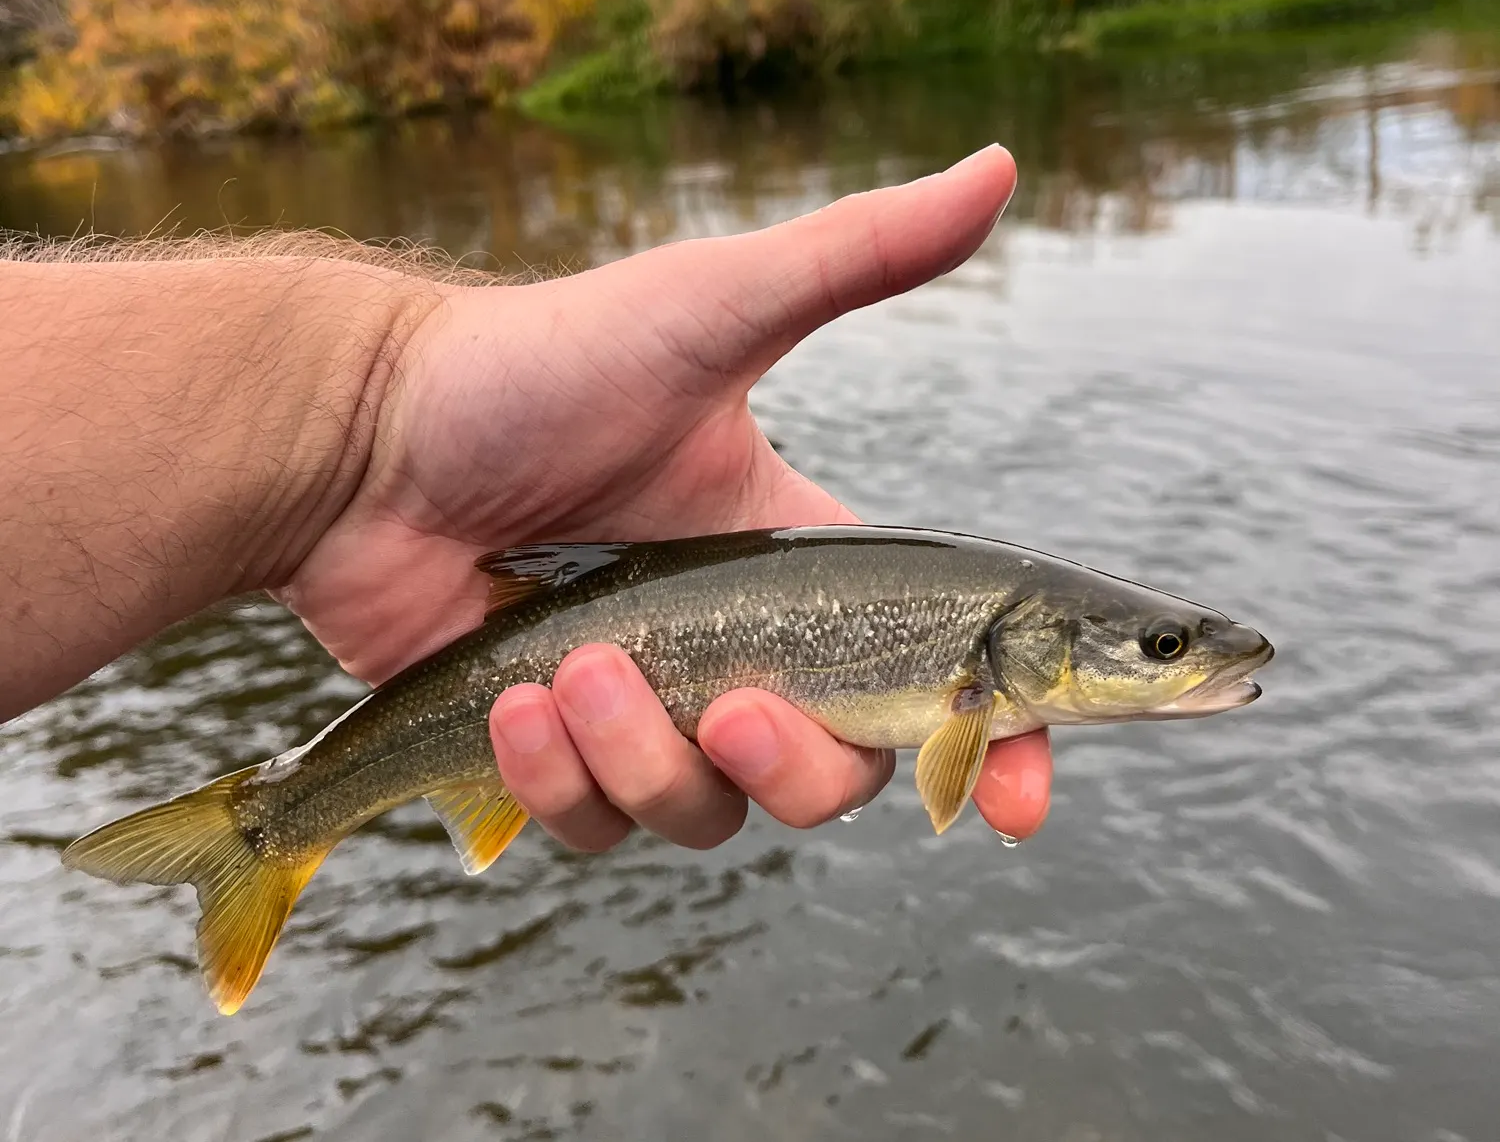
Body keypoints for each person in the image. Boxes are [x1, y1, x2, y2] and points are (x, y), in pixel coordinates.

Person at [0, 145, 1050, 852]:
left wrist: (362, 432)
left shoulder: (995, 649)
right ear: (1014, 655)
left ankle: (283, 816)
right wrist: (362, 422)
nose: (1182, 661)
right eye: (1158, 650)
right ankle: (276, 821)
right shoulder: (987, 653)